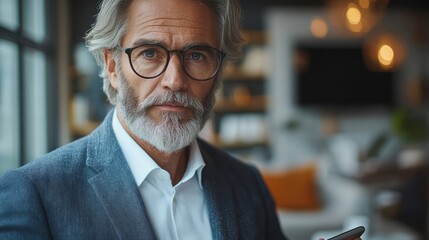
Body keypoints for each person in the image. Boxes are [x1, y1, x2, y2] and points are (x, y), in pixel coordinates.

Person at [0, 0, 287, 239]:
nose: (175, 81)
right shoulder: (35, 193)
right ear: (113, 66)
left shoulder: (247, 184)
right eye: (150, 53)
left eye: (197, 55)